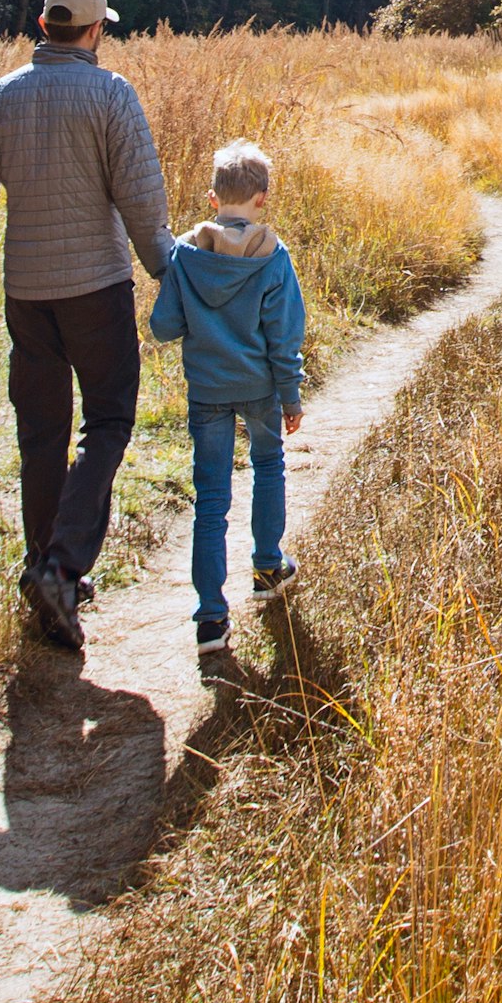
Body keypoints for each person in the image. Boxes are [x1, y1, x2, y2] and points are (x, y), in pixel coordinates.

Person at [0, 0, 174, 653]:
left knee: (41, 432)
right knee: (108, 421)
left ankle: (39, 569)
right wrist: (173, 277)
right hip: (97, 290)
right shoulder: (111, 95)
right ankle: (62, 566)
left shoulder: (0, 98)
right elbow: (142, 203)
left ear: (45, 27)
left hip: (26, 295)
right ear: (96, 30)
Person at [153, 138, 309, 658]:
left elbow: (164, 326)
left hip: (207, 393)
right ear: (261, 199)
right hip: (261, 389)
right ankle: (267, 566)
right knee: (268, 466)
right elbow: (284, 336)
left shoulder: (185, 254)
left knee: (211, 499)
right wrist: (291, 397)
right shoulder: (273, 256)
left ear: (212, 197)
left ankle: (210, 618)